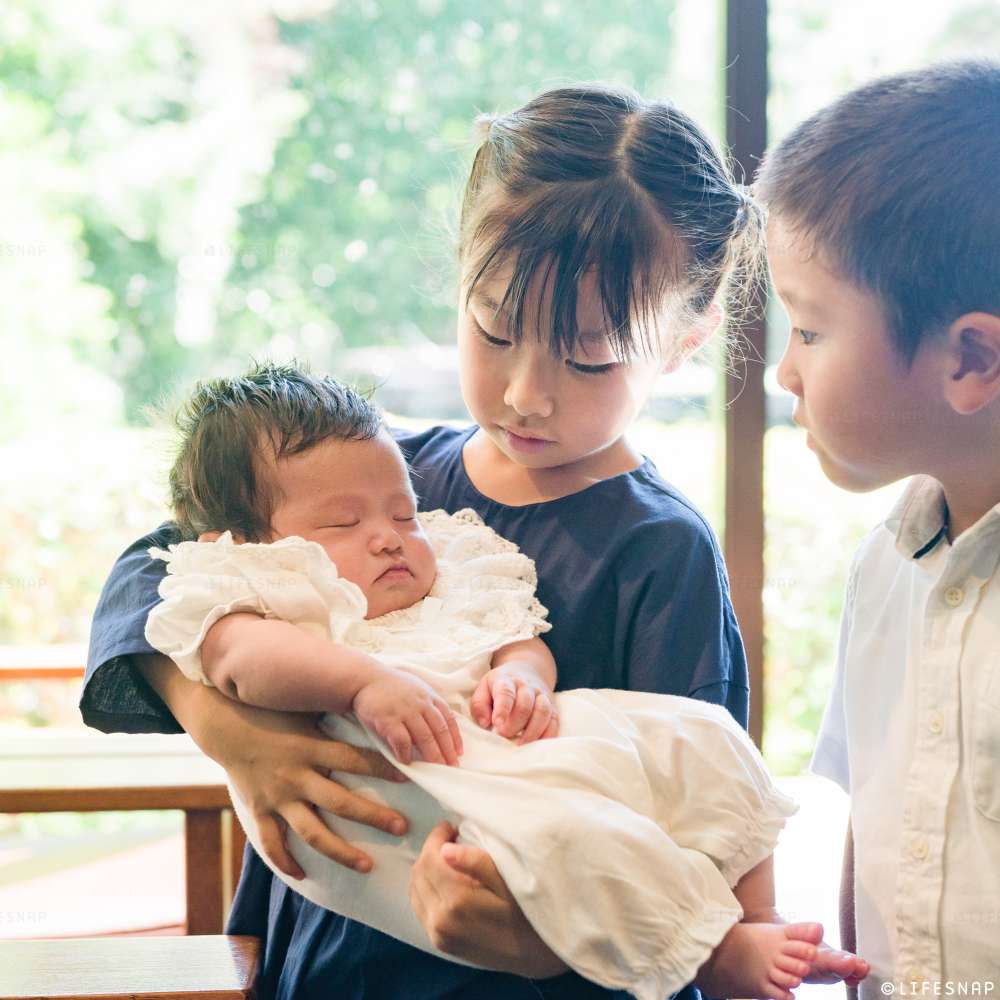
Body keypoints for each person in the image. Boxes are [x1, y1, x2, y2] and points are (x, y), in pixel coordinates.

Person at [83, 85, 863, 1000]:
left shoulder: (659, 553)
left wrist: (538, 940)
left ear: (684, 341)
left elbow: (685, 826)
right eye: (494, 328)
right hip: (323, 957)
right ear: (460, 277)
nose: (527, 392)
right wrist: (224, 726)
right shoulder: (383, 476)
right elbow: (159, 569)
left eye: (588, 357)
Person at [143, 362, 814, 1000]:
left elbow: (513, 629)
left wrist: (521, 674)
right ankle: (712, 952)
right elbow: (235, 653)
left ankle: (755, 909)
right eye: (346, 524)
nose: (387, 537)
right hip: (423, 787)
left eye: (402, 513)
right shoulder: (258, 586)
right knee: (569, 836)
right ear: (243, 545)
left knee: (698, 736)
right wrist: (357, 686)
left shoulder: (468, 552)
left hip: (514, 740)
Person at [756, 60, 1000, 998]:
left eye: (810, 331)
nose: (786, 372)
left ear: (970, 359)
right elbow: (876, 832)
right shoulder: (884, 570)